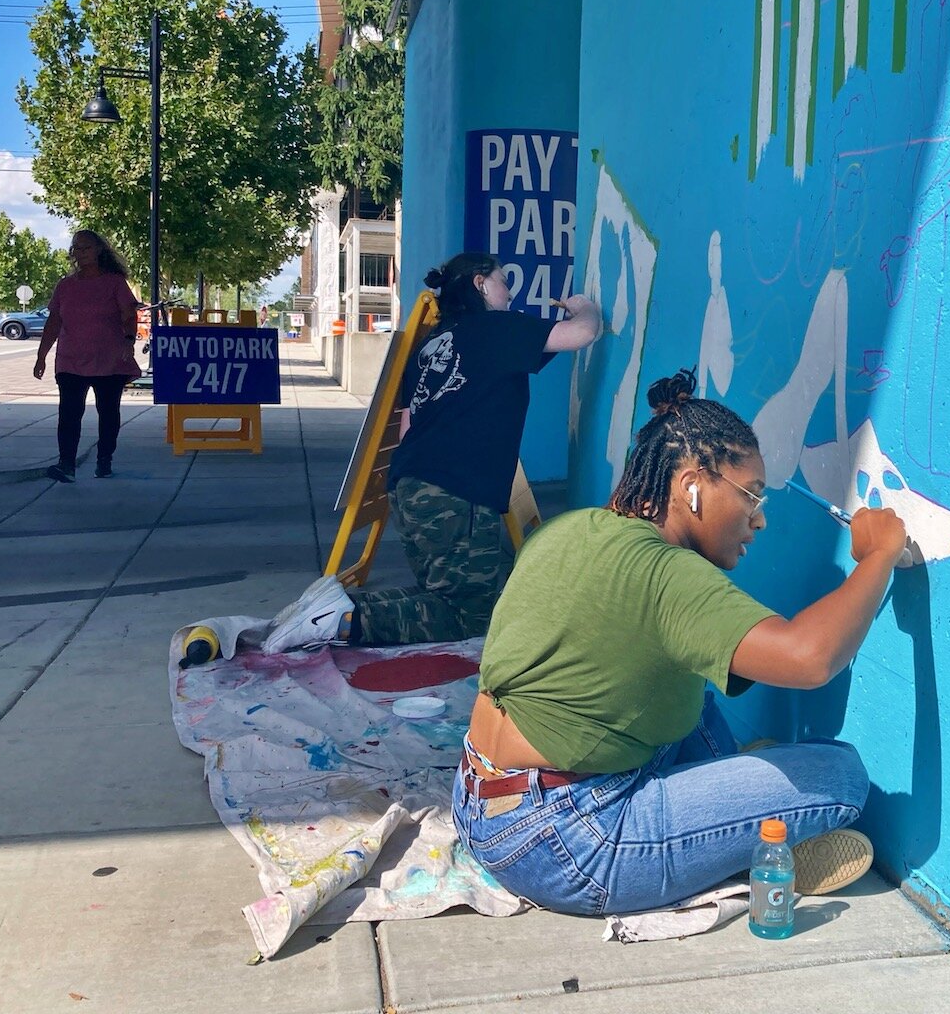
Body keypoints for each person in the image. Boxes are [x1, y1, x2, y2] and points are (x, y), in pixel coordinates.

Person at [450, 368, 910, 916]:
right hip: (570, 844)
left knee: (691, 695)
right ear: (692, 485)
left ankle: (735, 814)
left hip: (483, 802)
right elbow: (811, 659)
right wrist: (878, 555)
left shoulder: (571, 529)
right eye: (751, 497)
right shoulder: (665, 573)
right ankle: (753, 833)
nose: (758, 521)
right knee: (840, 777)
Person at [262, 253, 602, 656]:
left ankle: (324, 609)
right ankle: (340, 617)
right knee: (469, 616)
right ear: (480, 284)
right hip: (456, 491)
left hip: (410, 485)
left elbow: (408, 424)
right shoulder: (494, 329)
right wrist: (585, 306)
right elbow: (581, 334)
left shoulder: (430, 344)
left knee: (443, 599)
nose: (510, 292)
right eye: (504, 281)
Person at [33, 229, 142, 481]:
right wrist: (42, 355)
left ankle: (105, 458)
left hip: (109, 359)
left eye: (86, 248)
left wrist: (128, 341)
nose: (80, 253)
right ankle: (66, 463)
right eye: (76, 248)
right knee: (69, 413)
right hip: (70, 359)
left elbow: (129, 315)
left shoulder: (114, 282)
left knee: (108, 411)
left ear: (99, 250)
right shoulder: (66, 286)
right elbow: (53, 322)